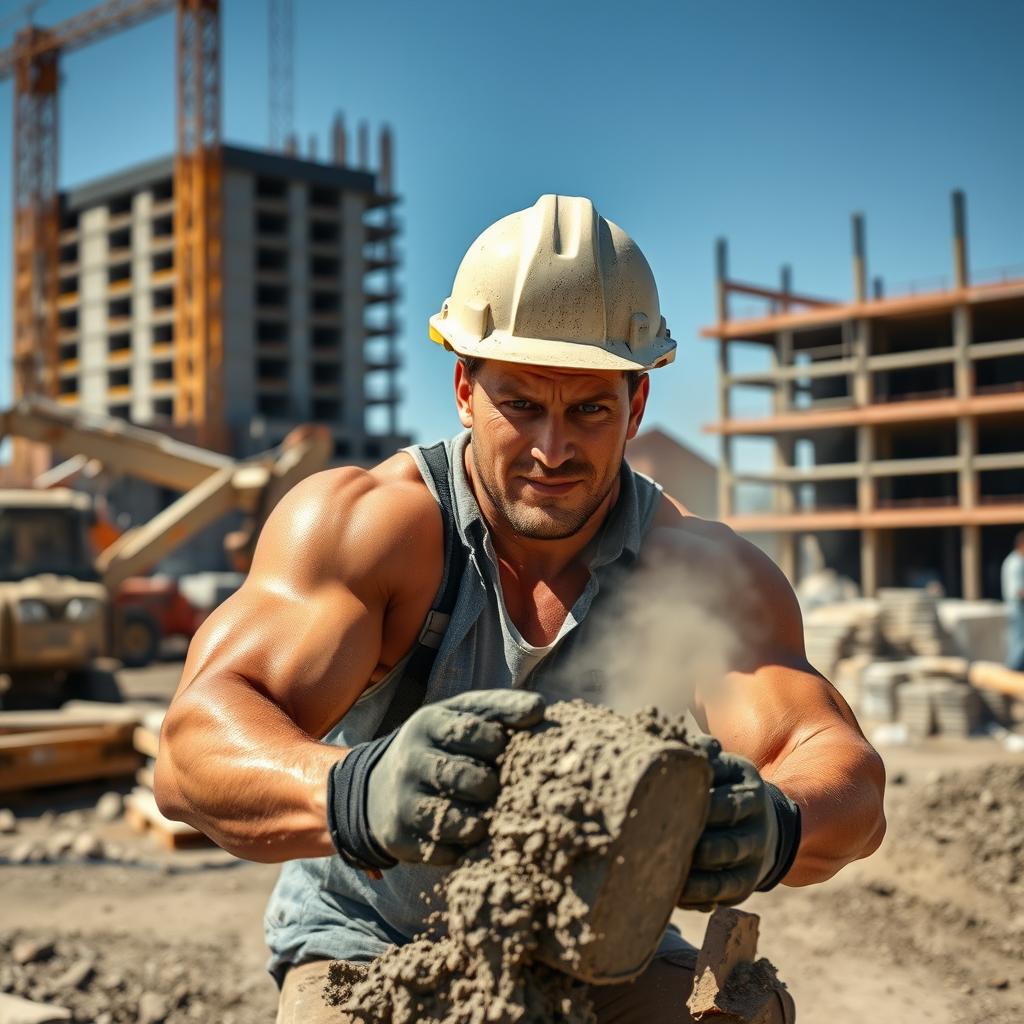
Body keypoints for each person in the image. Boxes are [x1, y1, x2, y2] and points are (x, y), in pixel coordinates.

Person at [154, 195, 886, 1023]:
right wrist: (359, 791)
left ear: (636, 408)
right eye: (521, 404)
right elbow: (188, 754)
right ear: (466, 389)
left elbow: (846, 776)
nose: (552, 448)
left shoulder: (697, 571)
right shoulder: (371, 529)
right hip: (374, 941)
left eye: (589, 410)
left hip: (599, 950)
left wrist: (774, 823)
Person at [1002, 530, 1024, 671]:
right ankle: (1011, 673)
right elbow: (1017, 591)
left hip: (1017, 610)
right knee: (1019, 643)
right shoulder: (1016, 563)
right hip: (1017, 611)